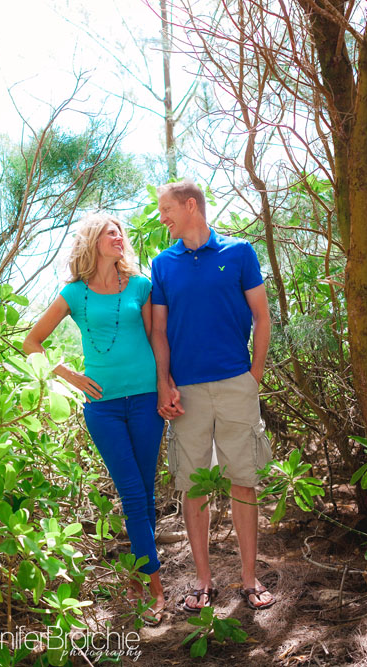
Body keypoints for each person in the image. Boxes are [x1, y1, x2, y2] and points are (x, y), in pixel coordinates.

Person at [23, 213, 166, 624]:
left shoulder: (140, 285)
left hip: (145, 399)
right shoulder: (74, 293)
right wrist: (69, 374)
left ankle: (137, 578)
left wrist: (165, 385)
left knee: (144, 493)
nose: (119, 237)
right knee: (133, 493)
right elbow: (31, 342)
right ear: (92, 241)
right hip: (103, 407)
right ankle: (156, 588)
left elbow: (156, 339)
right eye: (110, 232)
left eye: (121, 232)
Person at [150, 179, 274, 612]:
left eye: (166, 210)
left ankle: (249, 579)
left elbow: (262, 316)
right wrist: (165, 382)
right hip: (187, 392)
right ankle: (203, 581)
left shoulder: (239, 253)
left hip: (236, 384)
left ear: (190, 206)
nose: (162, 218)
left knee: (244, 481)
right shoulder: (162, 264)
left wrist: (254, 376)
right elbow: (159, 330)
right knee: (194, 486)